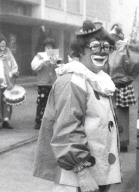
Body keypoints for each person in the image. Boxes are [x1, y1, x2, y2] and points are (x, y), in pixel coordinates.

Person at [33, 20, 121, 192]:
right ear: (80, 50)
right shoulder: (73, 80)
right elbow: (67, 129)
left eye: (107, 47)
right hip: (78, 178)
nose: (102, 53)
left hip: (98, 172)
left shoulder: (99, 78)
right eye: (95, 47)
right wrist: (82, 173)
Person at [108, 24, 137, 152]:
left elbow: (117, 65)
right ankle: (121, 141)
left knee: (117, 112)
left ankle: (120, 141)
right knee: (119, 112)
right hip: (120, 82)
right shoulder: (120, 48)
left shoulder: (121, 48)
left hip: (118, 82)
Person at [31, 38, 58, 130]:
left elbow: (61, 68)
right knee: (41, 103)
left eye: (50, 47)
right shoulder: (39, 56)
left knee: (53, 103)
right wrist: (42, 61)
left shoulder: (56, 55)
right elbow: (34, 67)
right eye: (47, 47)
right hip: (43, 83)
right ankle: (39, 121)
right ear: (44, 48)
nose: (49, 49)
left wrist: (58, 62)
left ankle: (51, 122)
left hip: (53, 83)